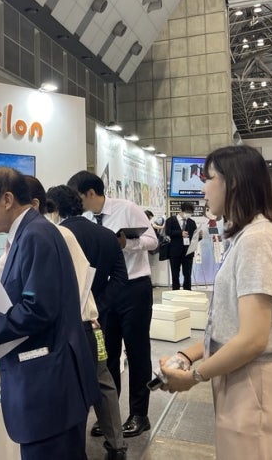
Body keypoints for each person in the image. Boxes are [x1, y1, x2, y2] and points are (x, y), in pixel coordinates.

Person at [0, 167, 99, 460]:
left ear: (6, 200)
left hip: (49, 390)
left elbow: (36, 311)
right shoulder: (29, 233)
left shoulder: (35, 235)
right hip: (50, 389)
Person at [160, 146, 272, 460]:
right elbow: (233, 325)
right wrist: (187, 354)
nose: (203, 189)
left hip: (256, 384)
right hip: (242, 378)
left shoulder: (257, 240)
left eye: (208, 179)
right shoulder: (247, 236)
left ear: (232, 182)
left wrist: (194, 376)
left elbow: (253, 338)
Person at [67, 171, 157, 439]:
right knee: (107, 353)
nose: (78, 202)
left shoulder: (127, 208)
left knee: (137, 351)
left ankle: (139, 414)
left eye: (79, 197)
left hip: (135, 287)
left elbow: (153, 241)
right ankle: (111, 416)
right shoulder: (84, 219)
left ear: (90, 193)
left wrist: (127, 243)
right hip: (105, 291)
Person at [46, 184, 128, 460]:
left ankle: (75, 450)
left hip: (67, 325)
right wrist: (98, 306)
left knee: (72, 387)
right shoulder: (106, 235)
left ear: (53, 208)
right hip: (94, 322)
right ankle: (117, 445)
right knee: (103, 379)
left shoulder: (56, 236)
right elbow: (121, 278)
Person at [165, 202, 197, 290]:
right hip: (175, 252)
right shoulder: (170, 220)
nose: (188, 214)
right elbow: (168, 232)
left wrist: (199, 236)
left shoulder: (192, 222)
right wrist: (180, 233)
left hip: (188, 252)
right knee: (175, 274)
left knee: (187, 274)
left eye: (190, 213)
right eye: (187, 212)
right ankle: (176, 291)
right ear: (181, 210)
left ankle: (187, 291)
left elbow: (194, 238)